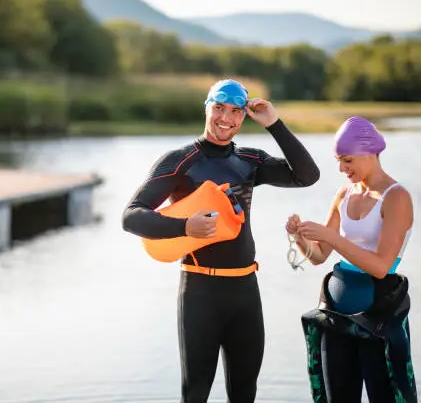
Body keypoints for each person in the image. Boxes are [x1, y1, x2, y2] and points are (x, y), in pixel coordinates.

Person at [122, 79, 320, 403]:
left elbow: (307, 175)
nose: (225, 118)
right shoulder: (181, 161)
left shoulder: (250, 161)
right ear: (207, 107)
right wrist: (187, 226)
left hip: (246, 291)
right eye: (219, 108)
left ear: (244, 116)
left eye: (235, 112)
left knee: (245, 393)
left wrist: (274, 124)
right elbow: (131, 215)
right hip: (200, 293)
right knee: (196, 394)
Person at [286, 116, 417, 402]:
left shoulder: (396, 197)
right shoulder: (344, 193)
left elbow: (381, 267)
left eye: (347, 160)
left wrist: (333, 238)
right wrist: (299, 236)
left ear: (369, 152)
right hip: (336, 317)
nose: (341, 169)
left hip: (378, 316)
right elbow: (319, 256)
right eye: (338, 161)